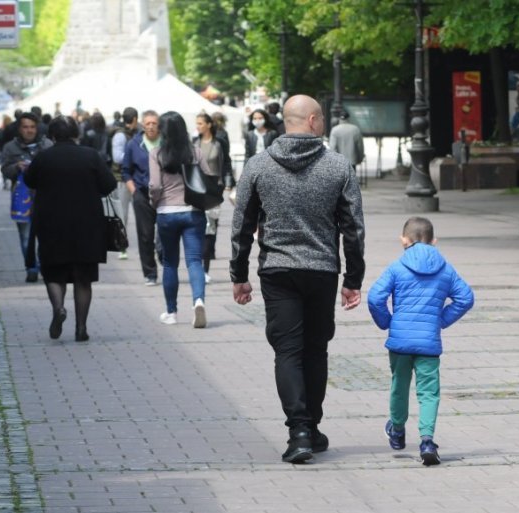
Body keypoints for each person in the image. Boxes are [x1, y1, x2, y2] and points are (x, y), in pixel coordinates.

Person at [230, 95, 365, 464]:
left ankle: (299, 432)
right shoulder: (338, 166)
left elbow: (241, 224)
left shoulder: (258, 165)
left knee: (287, 351)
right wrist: (353, 279)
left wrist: (239, 274)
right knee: (316, 349)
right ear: (313, 121)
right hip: (321, 270)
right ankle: (312, 427)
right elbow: (353, 228)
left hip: (278, 271)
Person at [368, 217, 474, 466]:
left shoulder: (397, 267)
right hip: (428, 343)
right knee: (429, 392)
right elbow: (465, 298)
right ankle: (427, 441)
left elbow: (374, 297)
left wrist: (387, 322)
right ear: (434, 241)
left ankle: (397, 430)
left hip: (400, 342)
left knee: (399, 385)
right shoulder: (445, 269)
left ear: (403, 240)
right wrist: (440, 320)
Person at [23, 116, 116, 342]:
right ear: (76, 133)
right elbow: (109, 184)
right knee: (83, 278)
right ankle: (81, 328)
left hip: (51, 224)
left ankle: (58, 308)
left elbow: (29, 181)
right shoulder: (91, 156)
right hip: (87, 225)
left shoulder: (44, 157)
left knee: (53, 272)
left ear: (52, 135)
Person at [150, 112, 211, 328]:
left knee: (170, 263)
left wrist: (155, 202)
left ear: (162, 131)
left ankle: (171, 312)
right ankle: (198, 301)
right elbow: (208, 179)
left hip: (167, 212)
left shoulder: (156, 154)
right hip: (192, 211)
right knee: (194, 260)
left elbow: (155, 185)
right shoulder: (195, 152)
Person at [0, 112, 53, 282]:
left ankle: (44, 266)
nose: (29, 130)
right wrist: (17, 167)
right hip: (22, 198)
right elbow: (5, 170)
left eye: (32, 127)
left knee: (46, 236)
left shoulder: (47, 145)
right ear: (19, 128)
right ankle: (31, 267)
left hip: (45, 197)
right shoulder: (10, 148)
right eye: (25, 127)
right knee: (25, 236)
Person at [121, 110, 161, 286]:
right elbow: (126, 171)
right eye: (148, 123)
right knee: (145, 235)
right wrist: (134, 191)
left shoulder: (165, 143)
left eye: (154, 123)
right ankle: (150, 273)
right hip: (142, 194)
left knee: (165, 232)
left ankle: (163, 255)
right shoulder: (133, 144)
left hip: (164, 195)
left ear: (159, 125)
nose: (151, 126)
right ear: (142, 125)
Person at [192, 112, 225, 284]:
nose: (197, 126)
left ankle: (205, 268)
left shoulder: (218, 143)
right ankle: (198, 266)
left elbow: (225, 164)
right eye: (196, 123)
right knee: (197, 229)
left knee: (210, 230)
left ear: (209, 125)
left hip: (213, 191)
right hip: (197, 191)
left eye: (200, 123)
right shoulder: (194, 143)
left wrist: (226, 184)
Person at [109, 107, 140, 260]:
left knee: (141, 214)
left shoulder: (136, 133)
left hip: (136, 178)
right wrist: (134, 156)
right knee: (123, 215)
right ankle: (122, 247)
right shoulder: (120, 135)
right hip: (122, 179)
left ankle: (144, 246)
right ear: (134, 119)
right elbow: (117, 157)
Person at [0, 114, 13, 189]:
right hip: (12, 150)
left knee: (4, 165)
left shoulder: (0, 130)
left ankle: (5, 181)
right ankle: (11, 180)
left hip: (3, 150)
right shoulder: (13, 129)